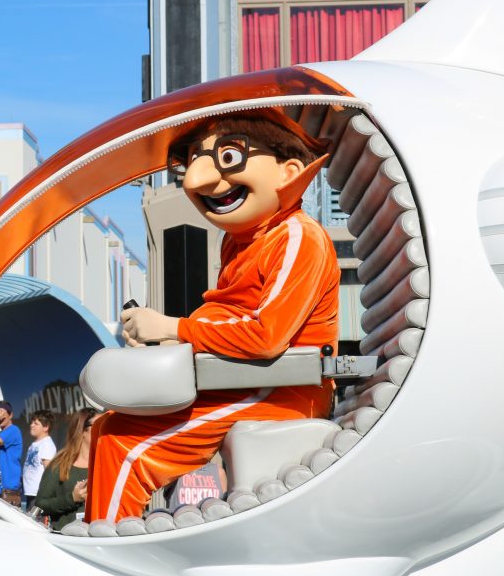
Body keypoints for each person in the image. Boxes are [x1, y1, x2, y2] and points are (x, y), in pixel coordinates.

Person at [85, 111, 340, 523]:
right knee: (107, 426)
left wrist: (173, 328)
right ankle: (102, 534)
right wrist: (171, 340)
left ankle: (104, 557)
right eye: (192, 163)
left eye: (227, 157)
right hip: (241, 382)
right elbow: (228, 319)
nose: (196, 181)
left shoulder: (296, 236)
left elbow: (266, 335)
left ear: (288, 171)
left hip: (276, 391)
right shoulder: (238, 243)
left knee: (126, 449)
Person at [33, 408, 99, 531]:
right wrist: (72, 498)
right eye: (98, 425)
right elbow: (40, 504)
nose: (103, 429)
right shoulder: (59, 465)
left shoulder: (106, 465)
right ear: (82, 430)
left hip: (100, 540)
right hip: (67, 541)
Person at [0, 400, 23, 505]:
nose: (0, 416)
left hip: (8, 492)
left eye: (3, 412)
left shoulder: (13, 430)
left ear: (10, 415)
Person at [22, 410, 56, 510]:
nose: (32, 425)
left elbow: (49, 470)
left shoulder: (47, 444)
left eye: (36, 423)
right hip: (30, 494)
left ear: (46, 427)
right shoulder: (34, 444)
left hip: (38, 495)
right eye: (32, 422)